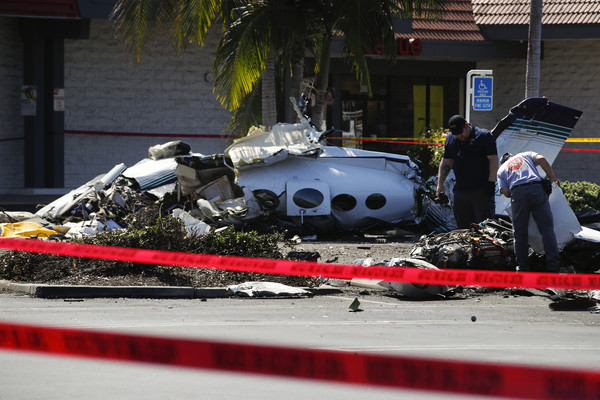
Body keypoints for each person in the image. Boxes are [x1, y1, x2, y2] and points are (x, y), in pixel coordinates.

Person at [496, 151, 559, 272]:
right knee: (547, 231)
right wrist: (550, 177)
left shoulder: (501, 170)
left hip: (518, 193)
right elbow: (541, 158)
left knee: (520, 234)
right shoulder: (525, 155)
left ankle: (523, 269)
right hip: (537, 189)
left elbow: (505, 192)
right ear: (512, 156)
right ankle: (553, 267)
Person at [436, 115, 498, 229]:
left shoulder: (484, 136)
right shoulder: (451, 139)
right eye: (456, 134)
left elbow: (493, 159)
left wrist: (491, 182)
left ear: (466, 125)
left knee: (485, 228)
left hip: (481, 190)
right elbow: (446, 163)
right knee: (463, 228)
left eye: (461, 133)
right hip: (461, 191)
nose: (459, 136)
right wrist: (440, 185)